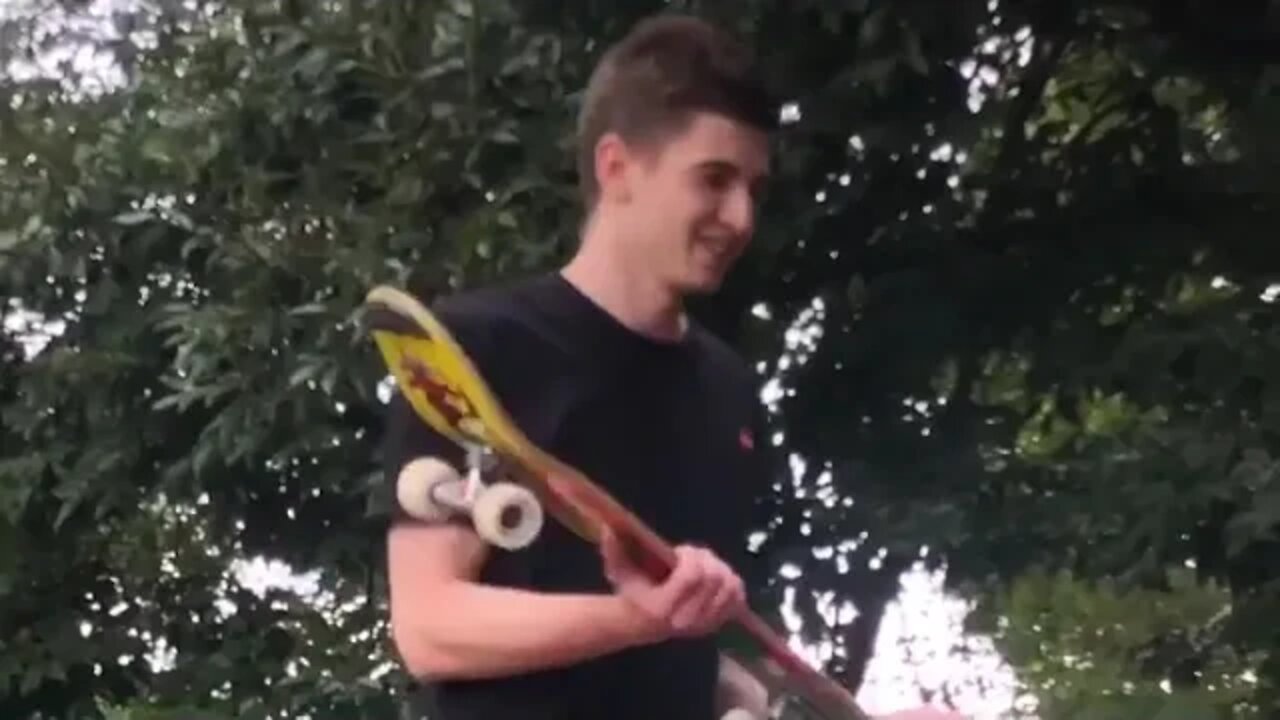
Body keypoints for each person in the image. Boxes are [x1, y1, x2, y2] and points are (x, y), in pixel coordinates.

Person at [380, 12, 966, 720]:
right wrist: (644, 619)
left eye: (754, 187)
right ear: (617, 167)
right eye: (713, 179)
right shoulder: (484, 345)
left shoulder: (728, 392)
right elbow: (431, 629)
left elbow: (695, 665)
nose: (741, 216)